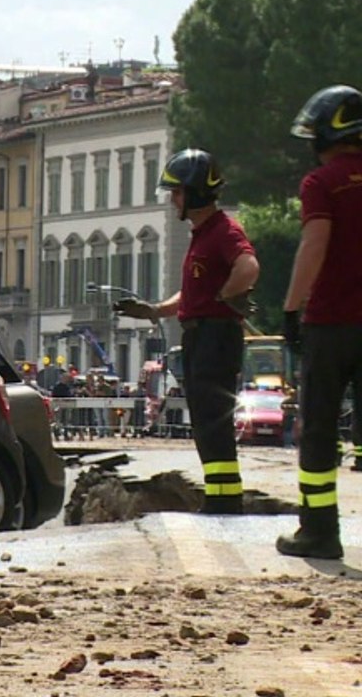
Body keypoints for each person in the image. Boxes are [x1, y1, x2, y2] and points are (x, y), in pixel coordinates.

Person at [114, 149, 260, 515]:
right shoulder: (202, 236)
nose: (172, 199)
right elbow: (192, 294)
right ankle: (220, 495)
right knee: (207, 422)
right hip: (201, 335)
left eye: (177, 191)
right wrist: (154, 310)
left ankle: (225, 501)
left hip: (215, 336)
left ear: (195, 192)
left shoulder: (224, 231)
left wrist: (226, 294)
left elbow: (249, 266)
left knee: (213, 421)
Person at [275, 84, 362, 559]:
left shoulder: (322, 183)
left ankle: (319, 532)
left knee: (320, 428)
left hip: (332, 322)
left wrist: (292, 307)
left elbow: (315, 245)